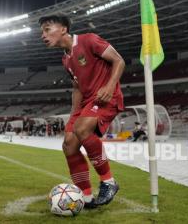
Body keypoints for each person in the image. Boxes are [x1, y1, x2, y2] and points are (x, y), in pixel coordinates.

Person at [39, 15, 125, 208]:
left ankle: (109, 182)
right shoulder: (66, 59)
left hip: (105, 96)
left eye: (47, 29)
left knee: (83, 129)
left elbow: (119, 60)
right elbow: (77, 87)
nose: (43, 35)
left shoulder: (89, 40)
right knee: (69, 145)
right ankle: (86, 198)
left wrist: (110, 87)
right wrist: (73, 115)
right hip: (86, 102)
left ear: (63, 29)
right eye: (42, 31)